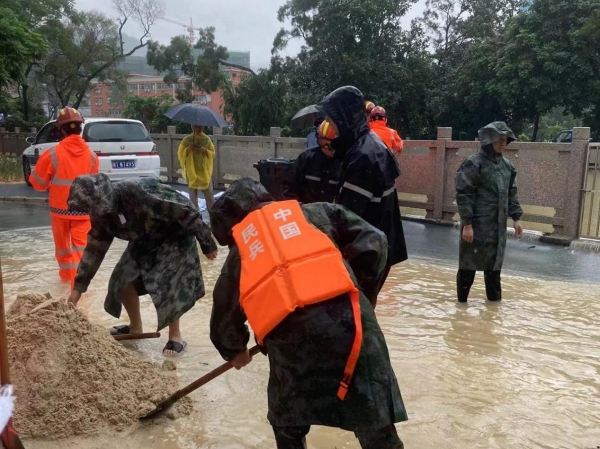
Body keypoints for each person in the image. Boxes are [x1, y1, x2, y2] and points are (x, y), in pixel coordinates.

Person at [209, 178, 408, 449]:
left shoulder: (245, 248)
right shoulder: (319, 212)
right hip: (355, 332)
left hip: (292, 347)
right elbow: (376, 241)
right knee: (373, 420)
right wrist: (358, 290)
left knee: (288, 424)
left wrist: (234, 350)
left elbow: (224, 309)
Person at [66, 173, 218, 356]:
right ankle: (135, 328)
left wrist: (207, 243)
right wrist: (78, 289)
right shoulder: (100, 213)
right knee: (120, 281)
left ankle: (175, 336)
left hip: (174, 236)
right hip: (143, 240)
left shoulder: (138, 192)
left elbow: (186, 210)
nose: (95, 212)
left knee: (169, 284)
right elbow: (95, 248)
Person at [316, 86, 408, 308]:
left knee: (354, 313)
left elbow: (346, 217)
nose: (332, 128)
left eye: (333, 122)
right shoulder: (368, 144)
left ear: (344, 119)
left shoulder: (363, 156)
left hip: (368, 252)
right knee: (360, 311)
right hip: (379, 246)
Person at [29, 107, 99, 288]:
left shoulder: (53, 154)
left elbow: (37, 184)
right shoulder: (92, 157)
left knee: (62, 251)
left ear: (61, 130)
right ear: (80, 129)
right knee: (81, 252)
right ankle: (78, 291)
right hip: (83, 212)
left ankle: (64, 284)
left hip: (59, 211)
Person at [455, 121, 524, 303]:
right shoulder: (473, 163)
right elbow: (464, 194)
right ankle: (461, 305)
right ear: (488, 140)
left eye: (505, 139)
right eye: (498, 139)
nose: (502, 143)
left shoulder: (507, 166)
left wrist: (516, 218)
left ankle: (494, 309)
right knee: (468, 267)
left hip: (498, 227)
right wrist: (467, 224)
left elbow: (512, 193)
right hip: (477, 225)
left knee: (494, 270)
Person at [281, 120, 342, 204]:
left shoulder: (345, 164)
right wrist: (299, 207)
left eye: (330, 145)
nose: (325, 147)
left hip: (331, 211)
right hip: (305, 210)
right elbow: (288, 187)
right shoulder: (306, 158)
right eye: (322, 142)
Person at [178, 125, 216, 211]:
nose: (198, 129)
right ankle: (195, 215)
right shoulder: (187, 140)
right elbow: (180, 153)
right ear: (192, 127)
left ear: (203, 128)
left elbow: (212, 153)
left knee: (209, 196)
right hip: (191, 171)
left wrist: (204, 150)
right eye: (196, 127)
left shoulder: (206, 139)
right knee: (193, 196)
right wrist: (188, 149)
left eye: (200, 127)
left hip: (204, 171)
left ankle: (213, 214)